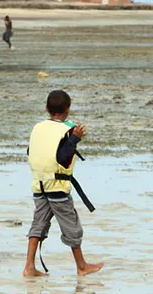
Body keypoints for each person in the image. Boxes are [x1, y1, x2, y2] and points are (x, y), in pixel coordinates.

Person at [23, 90, 103, 277]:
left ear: (46, 109)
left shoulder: (38, 127)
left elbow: (31, 151)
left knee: (38, 225)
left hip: (39, 186)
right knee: (71, 226)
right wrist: (75, 138)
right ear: (68, 109)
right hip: (58, 188)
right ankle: (81, 266)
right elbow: (63, 157)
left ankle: (29, 266)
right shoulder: (68, 130)